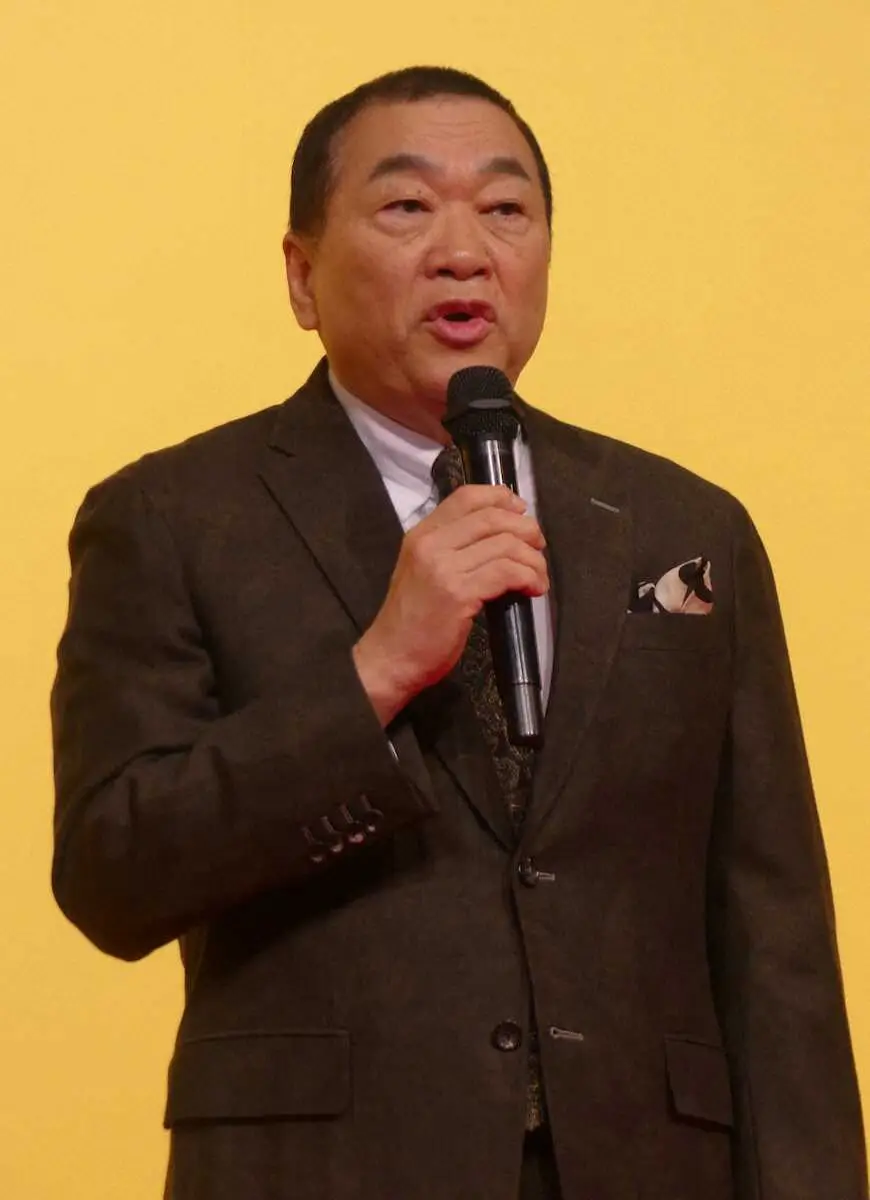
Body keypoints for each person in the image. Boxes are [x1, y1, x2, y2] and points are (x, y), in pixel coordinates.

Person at [50, 66, 867, 1200]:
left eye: (505, 208)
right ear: (301, 275)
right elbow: (112, 871)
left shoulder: (685, 525)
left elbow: (775, 938)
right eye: (406, 206)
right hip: (328, 1171)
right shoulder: (174, 517)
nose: (464, 251)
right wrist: (377, 671)